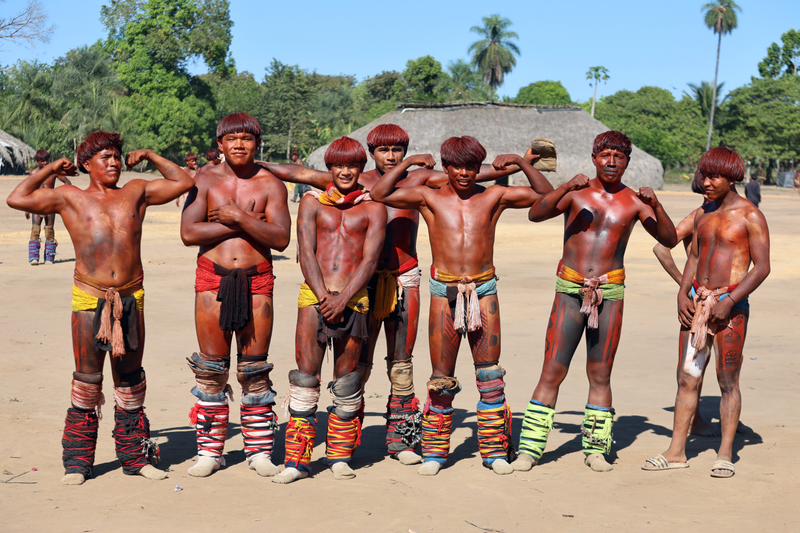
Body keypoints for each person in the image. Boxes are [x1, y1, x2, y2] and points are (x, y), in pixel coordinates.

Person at [261, 124, 539, 467]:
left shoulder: (421, 179)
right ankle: (346, 442)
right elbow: (301, 173)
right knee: (357, 365)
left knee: (401, 362)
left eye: (397, 150)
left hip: (404, 277)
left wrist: (521, 162)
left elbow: (469, 170)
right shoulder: (356, 178)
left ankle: (402, 440)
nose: (390, 156)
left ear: (406, 151)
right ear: (370, 152)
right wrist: (259, 165)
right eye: (383, 149)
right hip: (361, 283)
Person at [6, 131, 195, 485]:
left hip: (130, 296)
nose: (113, 162)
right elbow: (16, 198)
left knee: (130, 382)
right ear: (86, 163)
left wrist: (150, 154)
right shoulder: (70, 197)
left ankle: (136, 458)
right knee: (87, 381)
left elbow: (184, 181)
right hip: (88, 296)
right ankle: (78, 463)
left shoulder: (136, 191)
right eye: (105, 157)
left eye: (116, 156)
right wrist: (50, 169)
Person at [370, 136, 555, 476]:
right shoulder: (428, 197)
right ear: (446, 167)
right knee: (442, 377)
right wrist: (408, 162)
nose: (464, 173)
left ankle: (494, 451)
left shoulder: (494, 196)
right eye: (456, 167)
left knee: (490, 375)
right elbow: (380, 194)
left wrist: (520, 162)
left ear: (478, 168)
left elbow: (546, 195)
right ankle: (435, 452)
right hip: (445, 293)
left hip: (483, 291)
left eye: (471, 167)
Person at [516, 131, 677, 473]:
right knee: (553, 370)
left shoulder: (635, 201)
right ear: (594, 158)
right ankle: (530, 449)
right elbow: (535, 213)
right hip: (570, 289)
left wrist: (657, 205)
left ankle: (596, 448)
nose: (612, 161)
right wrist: (565, 187)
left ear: (627, 162)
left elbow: (669, 238)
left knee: (600, 374)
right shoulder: (576, 192)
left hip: (610, 292)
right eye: (605, 155)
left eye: (619, 157)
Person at [643, 147, 770, 478]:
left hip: (731, 307)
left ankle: (725, 453)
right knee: (687, 376)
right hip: (698, 303)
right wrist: (682, 293)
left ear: (731, 178)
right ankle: (676, 451)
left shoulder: (751, 215)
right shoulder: (703, 214)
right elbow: (695, 258)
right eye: (703, 176)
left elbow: (762, 267)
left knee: (727, 380)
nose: (705, 182)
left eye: (713, 177)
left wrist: (730, 300)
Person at [180, 113, 291, 478]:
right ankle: (210, 453)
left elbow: (280, 238)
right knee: (211, 368)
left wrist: (238, 218)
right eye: (232, 139)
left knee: (254, 369)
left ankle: (259, 452)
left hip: (257, 281)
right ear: (221, 144)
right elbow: (189, 233)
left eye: (246, 138)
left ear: (257, 143)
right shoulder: (205, 180)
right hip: (212, 278)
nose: (239, 144)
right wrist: (242, 221)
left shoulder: (271, 184)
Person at [273, 137, 386, 484]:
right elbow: (305, 250)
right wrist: (324, 295)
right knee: (305, 379)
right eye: (339, 165)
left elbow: (370, 259)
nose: (346, 171)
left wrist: (344, 297)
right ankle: (297, 460)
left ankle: (339, 456)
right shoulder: (311, 202)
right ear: (330, 168)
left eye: (352, 165)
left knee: (347, 380)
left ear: (362, 168)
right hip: (314, 296)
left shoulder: (373, 208)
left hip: (355, 298)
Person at [653, 174, 751, 437]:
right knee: (695, 367)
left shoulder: (730, 214)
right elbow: (662, 248)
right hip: (703, 295)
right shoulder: (701, 215)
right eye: (703, 189)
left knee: (719, 369)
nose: (707, 192)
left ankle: (723, 422)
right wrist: (686, 287)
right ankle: (695, 421)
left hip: (720, 296)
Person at [25, 149, 72, 265]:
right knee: (35, 230)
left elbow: (67, 183)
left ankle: (49, 258)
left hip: (50, 205)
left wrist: (59, 196)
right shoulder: (33, 174)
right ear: (37, 161)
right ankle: (34, 258)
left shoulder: (53, 172)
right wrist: (27, 208)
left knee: (49, 230)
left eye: (46, 160)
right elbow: (28, 190)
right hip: (37, 205)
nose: (45, 163)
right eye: (42, 161)